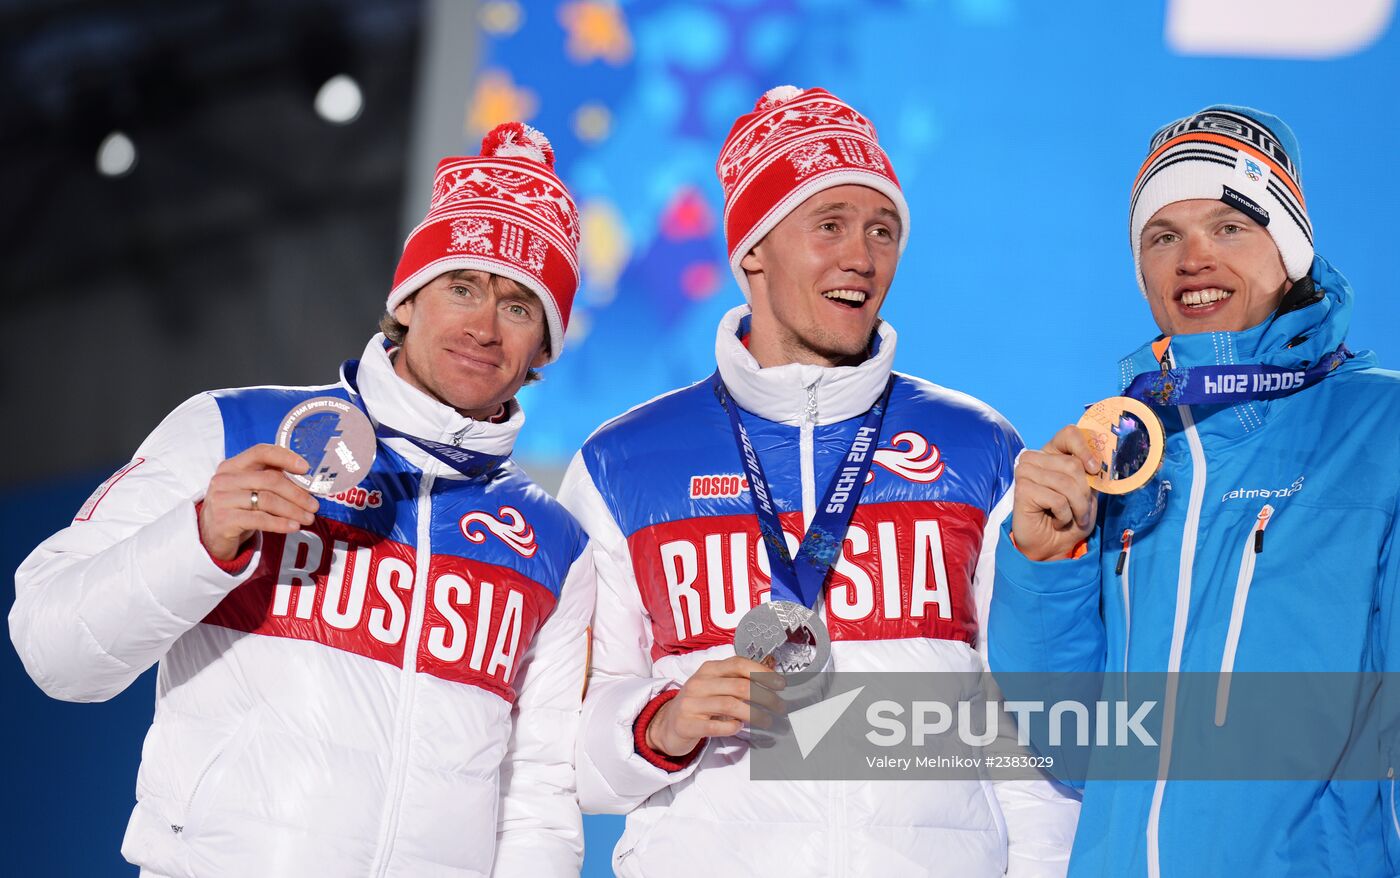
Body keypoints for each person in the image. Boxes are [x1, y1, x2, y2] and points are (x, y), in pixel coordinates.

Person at [10, 122, 594, 878]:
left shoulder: (553, 543)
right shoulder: (234, 428)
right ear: (409, 299)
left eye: (520, 308)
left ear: (542, 349)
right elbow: (53, 650)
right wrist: (199, 539)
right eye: (462, 285)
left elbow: (537, 792)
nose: (483, 326)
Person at [557, 85, 1080, 877]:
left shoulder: (978, 447)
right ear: (754, 250)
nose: (861, 258)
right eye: (828, 224)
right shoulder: (623, 462)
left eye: (883, 231)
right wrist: (660, 724)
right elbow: (568, 751)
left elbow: (1031, 735)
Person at [990, 105, 1400, 876]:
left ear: (1290, 249)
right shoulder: (1124, 450)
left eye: (1230, 227)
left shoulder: (1381, 430)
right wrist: (1049, 564)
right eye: (1163, 236)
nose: (1193, 259)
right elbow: (1074, 750)